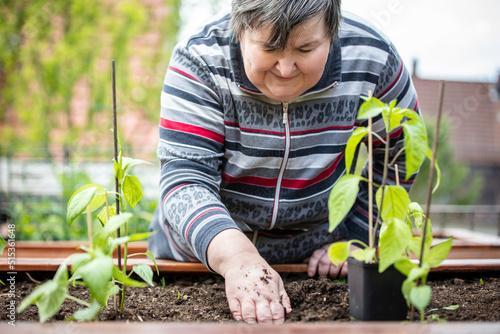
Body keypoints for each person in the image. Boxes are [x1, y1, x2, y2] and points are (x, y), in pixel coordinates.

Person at [148, 0, 419, 324]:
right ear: (240, 27)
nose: (286, 68)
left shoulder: (372, 58)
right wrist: (237, 257)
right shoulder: (201, 59)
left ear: (332, 28)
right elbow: (185, 180)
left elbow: (400, 155)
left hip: (315, 264)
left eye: (306, 49)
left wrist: (361, 236)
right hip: (199, 261)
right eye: (269, 47)